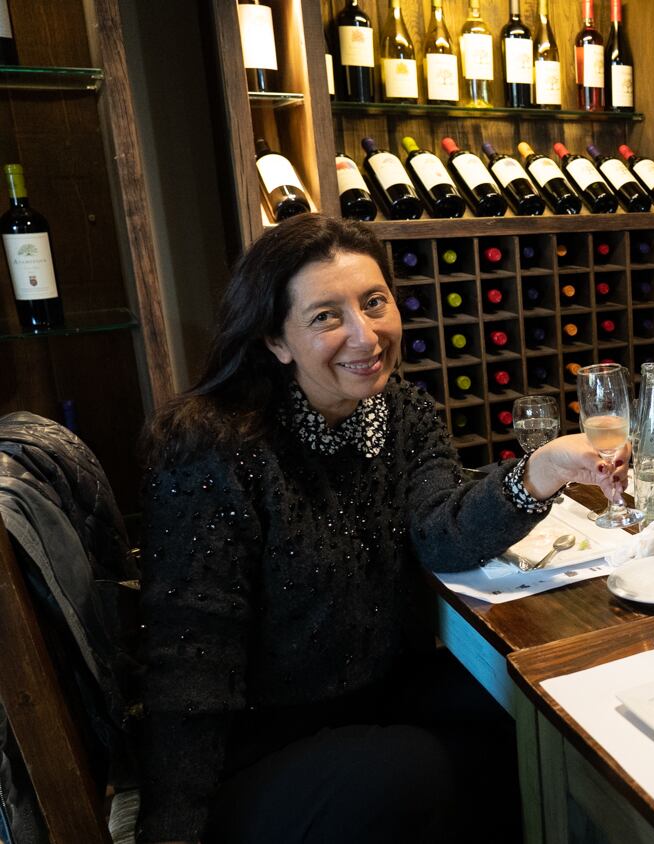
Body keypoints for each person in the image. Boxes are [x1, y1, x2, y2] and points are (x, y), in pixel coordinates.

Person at [135, 214, 626, 843]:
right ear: (275, 340)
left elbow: (440, 534)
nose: (365, 336)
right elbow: (188, 660)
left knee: (537, 716)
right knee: (418, 774)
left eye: (374, 303)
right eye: (325, 316)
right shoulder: (212, 448)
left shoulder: (403, 414)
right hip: (257, 744)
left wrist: (542, 470)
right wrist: (173, 831)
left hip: (374, 699)